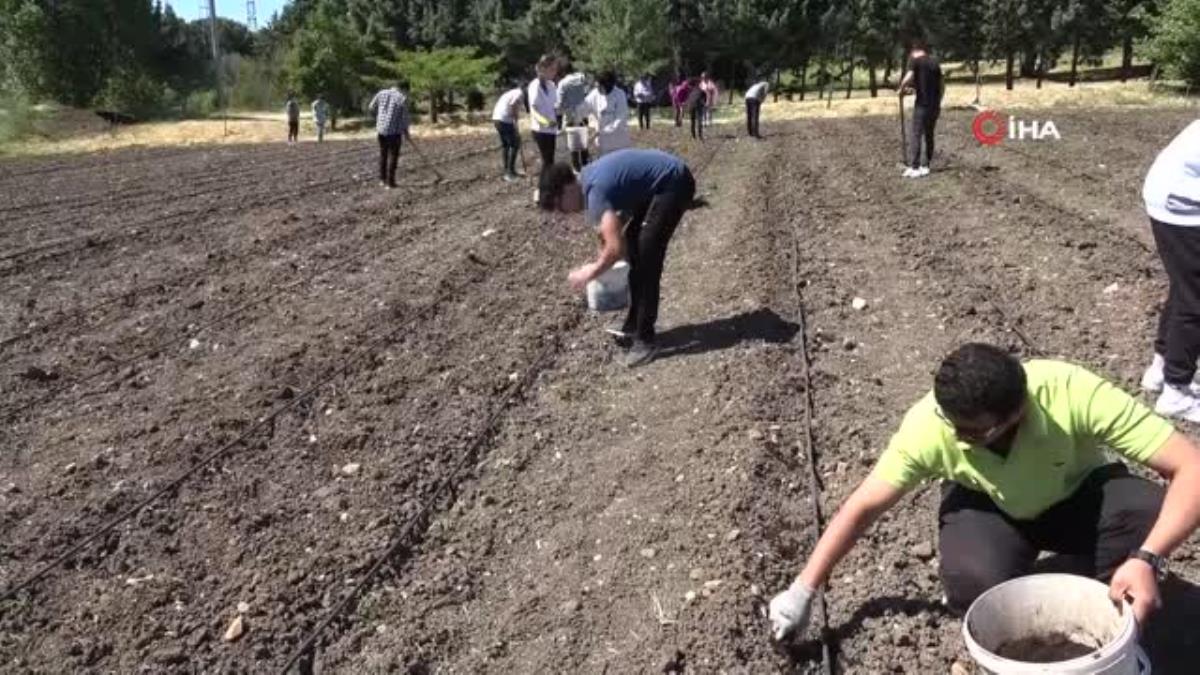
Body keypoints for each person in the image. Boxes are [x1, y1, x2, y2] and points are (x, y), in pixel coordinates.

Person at [768, 343, 1200, 643]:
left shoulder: (1069, 390)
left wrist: (1148, 557)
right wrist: (803, 590)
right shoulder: (930, 427)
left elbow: (1192, 468)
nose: (954, 434)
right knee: (976, 583)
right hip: (991, 507)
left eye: (970, 431)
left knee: (1146, 512)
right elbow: (862, 507)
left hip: (1078, 495)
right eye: (950, 420)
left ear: (1017, 411)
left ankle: (1118, 605)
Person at [538, 149, 696, 368]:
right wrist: (604, 256)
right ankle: (634, 323)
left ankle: (645, 340)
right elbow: (613, 234)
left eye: (560, 207)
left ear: (566, 189)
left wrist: (590, 273)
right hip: (662, 183)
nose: (564, 213)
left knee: (647, 256)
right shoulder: (588, 179)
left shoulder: (594, 192)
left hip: (674, 182)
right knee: (635, 244)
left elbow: (614, 249)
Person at [1140, 120, 1200, 420]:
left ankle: (1161, 371)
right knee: (1196, 300)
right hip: (1183, 203)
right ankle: (1176, 393)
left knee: (1185, 288)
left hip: (1170, 194)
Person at [898, 39, 943, 178]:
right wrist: (938, 101)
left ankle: (915, 166)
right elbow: (941, 85)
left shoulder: (914, 60)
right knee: (929, 134)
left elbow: (909, 77)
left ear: (913, 50)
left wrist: (901, 89)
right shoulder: (934, 62)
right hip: (934, 105)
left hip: (922, 105)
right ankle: (926, 165)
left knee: (916, 134)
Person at [367, 80, 412, 189]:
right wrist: (406, 132)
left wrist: (380, 118)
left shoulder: (381, 93)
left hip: (381, 130)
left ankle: (382, 179)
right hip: (394, 132)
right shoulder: (402, 98)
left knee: (383, 155)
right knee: (393, 156)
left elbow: (371, 107)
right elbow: (404, 119)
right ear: (404, 89)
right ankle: (390, 182)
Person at [582, 71, 632, 157]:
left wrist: (600, 132)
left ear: (608, 85)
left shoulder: (619, 95)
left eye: (600, 87)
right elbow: (584, 107)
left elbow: (620, 120)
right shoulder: (595, 94)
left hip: (619, 141)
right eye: (597, 86)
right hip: (603, 144)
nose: (598, 89)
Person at [528, 55, 561, 179]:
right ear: (543, 69)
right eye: (552, 69)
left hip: (551, 128)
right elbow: (534, 111)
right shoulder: (534, 86)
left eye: (555, 69)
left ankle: (549, 186)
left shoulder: (552, 85)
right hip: (540, 129)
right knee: (547, 161)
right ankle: (543, 188)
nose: (555, 72)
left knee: (550, 160)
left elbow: (555, 106)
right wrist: (545, 121)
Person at [491, 83, 525, 182]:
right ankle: (509, 173)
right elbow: (513, 105)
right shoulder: (519, 93)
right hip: (504, 120)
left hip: (497, 119)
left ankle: (508, 170)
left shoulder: (511, 92)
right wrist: (515, 118)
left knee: (506, 145)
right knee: (515, 144)